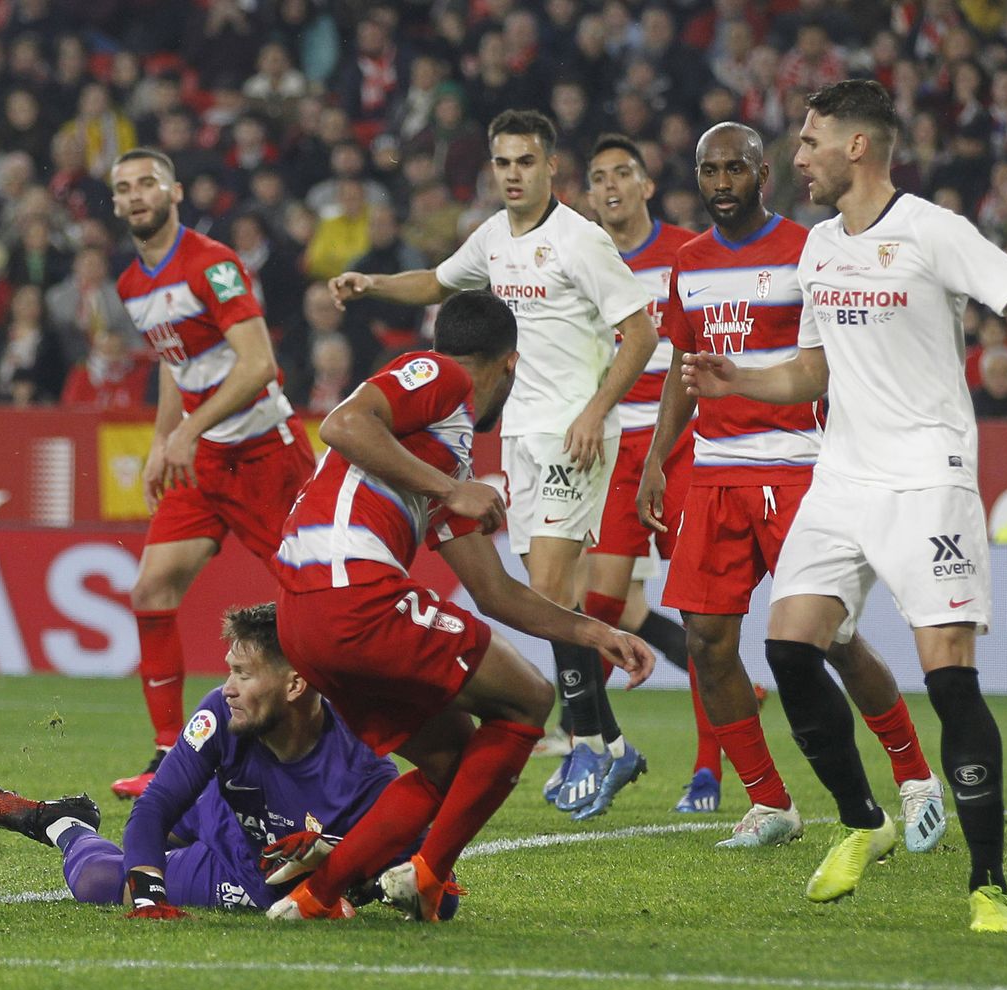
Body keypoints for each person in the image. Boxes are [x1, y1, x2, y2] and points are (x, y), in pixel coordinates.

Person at [682, 80, 1007, 932]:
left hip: (929, 476)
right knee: (788, 646)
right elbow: (813, 372)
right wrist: (738, 378)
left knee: (950, 682)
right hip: (843, 476)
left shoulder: (933, 231)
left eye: (812, 140)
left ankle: (988, 883)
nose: (799, 156)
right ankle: (863, 822)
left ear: (858, 147)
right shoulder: (817, 247)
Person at [267, 291, 653, 921]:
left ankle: (316, 898)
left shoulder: (434, 455)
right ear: (509, 364)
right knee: (528, 700)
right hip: (350, 593)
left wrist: (594, 632)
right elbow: (341, 423)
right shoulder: (441, 375)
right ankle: (426, 874)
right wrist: (454, 489)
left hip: (306, 620)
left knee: (451, 760)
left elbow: (495, 593)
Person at [329, 110, 660, 818]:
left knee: (541, 590)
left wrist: (596, 410)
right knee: (549, 598)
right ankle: (607, 742)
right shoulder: (491, 237)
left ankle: (589, 745)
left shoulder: (581, 241)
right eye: (502, 162)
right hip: (518, 437)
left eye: (525, 162)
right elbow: (438, 283)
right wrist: (372, 283)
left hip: (573, 434)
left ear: (550, 169)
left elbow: (641, 330)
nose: (512, 174)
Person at [639, 121, 945, 853]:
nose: (719, 183)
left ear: (761, 175)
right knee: (707, 640)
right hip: (713, 472)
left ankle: (914, 775)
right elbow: (685, 362)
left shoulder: (809, 252)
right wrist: (659, 455)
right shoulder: (690, 261)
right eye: (708, 170)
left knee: (831, 638)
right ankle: (770, 801)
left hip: (796, 467)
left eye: (733, 170)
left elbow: (840, 358)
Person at [0, 603, 453, 918]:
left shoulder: (364, 768)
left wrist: (349, 864)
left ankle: (63, 826)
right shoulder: (220, 712)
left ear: (295, 684)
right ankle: (67, 825)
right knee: (112, 875)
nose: (228, 688)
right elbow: (155, 806)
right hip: (223, 815)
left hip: (244, 865)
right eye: (228, 671)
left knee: (97, 879)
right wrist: (150, 896)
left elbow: (442, 893)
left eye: (244, 674)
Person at [108, 148, 317, 800]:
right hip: (203, 462)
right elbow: (178, 365)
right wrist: (160, 442)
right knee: (151, 588)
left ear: (173, 192)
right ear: (115, 205)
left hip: (264, 454)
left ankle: (348, 742)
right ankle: (168, 754)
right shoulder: (132, 286)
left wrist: (186, 434)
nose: (137, 195)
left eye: (147, 183)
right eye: (124, 188)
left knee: (313, 606)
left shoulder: (213, 264)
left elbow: (258, 365)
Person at [579, 133, 718, 815]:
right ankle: (599, 746)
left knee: (700, 611)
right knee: (596, 608)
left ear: (646, 186)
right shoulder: (580, 257)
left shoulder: (688, 254)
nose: (610, 186)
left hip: (680, 442)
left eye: (623, 174)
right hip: (609, 447)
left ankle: (707, 769)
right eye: (599, 176)